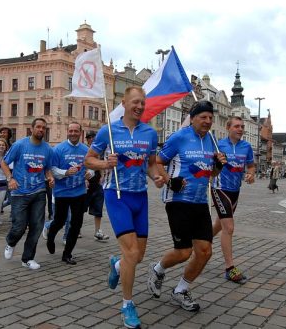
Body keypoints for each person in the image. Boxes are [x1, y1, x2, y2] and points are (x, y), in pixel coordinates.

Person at [85, 86, 168, 329]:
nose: (140, 106)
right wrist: (103, 163)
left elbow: (151, 165)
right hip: (117, 195)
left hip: (139, 198)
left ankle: (117, 265)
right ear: (124, 102)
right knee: (132, 252)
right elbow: (88, 159)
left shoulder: (149, 134)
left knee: (137, 256)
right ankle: (127, 305)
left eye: (142, 103)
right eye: (135, 102)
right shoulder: (108, 131)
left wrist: (157, 178)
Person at [147, 100, 225, 312]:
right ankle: (158, 269)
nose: (208, 121)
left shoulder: (211, 140)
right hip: (178, 200)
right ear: (193, 118)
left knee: (205, 251)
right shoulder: (179, 137)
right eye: (203, 117)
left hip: (200, 202)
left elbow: (212, 174)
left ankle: (180, 290)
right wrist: (170, 180)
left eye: (210, 117)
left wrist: (217, 166)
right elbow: (158, 162)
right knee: (183, 252)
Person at [3, 118, 54, 271]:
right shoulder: (20, 145)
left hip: (38, 191)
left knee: (37, 226)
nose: (41, 130)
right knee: (19, 226)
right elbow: (4, 163)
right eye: (38, 127)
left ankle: (28, 258)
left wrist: (50, 177)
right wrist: (9, 178)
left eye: (44, 128)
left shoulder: (48, 149)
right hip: (19, 192)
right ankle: (11, 242)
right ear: (31, 129)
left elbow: (47, 169)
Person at [210, 116, 255, 284]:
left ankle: (200, 241)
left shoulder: (246, 147)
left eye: (242, 126)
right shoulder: (219, 145)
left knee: (219, 224)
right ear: (228, 128)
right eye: (236, 126)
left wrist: (251, 174)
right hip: (219, 188)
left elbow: (250, 166)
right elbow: (210, 166)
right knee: (228, 227)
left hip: (235, 191)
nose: (240, 129)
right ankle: (230, 268)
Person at [47, 122, 92, 265]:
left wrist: (89, 174)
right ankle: (50, 236)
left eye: (76, 131)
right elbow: (52, 169)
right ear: (67, 132)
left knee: (76, 224)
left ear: (80, 132)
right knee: (59, 221)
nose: (73, 133)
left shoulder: (86, 149)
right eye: (71, 131)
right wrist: (65, 172)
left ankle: (67, 254)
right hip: (62, 192)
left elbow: (91, 168)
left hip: (79, 192)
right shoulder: (59, 149)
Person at [84, 131, 109, 242]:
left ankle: (97, 231)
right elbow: (81, 164)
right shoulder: (84, 149)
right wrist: (84, 179)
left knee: (98, 207)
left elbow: (100, 164)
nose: (92, 139)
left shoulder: (98, 150)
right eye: (90, 138)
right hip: (86, 182)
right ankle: (77, 229)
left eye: (94, 137)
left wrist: (102, 176)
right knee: (81, 208)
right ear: (87, 139)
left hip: (97, 182)